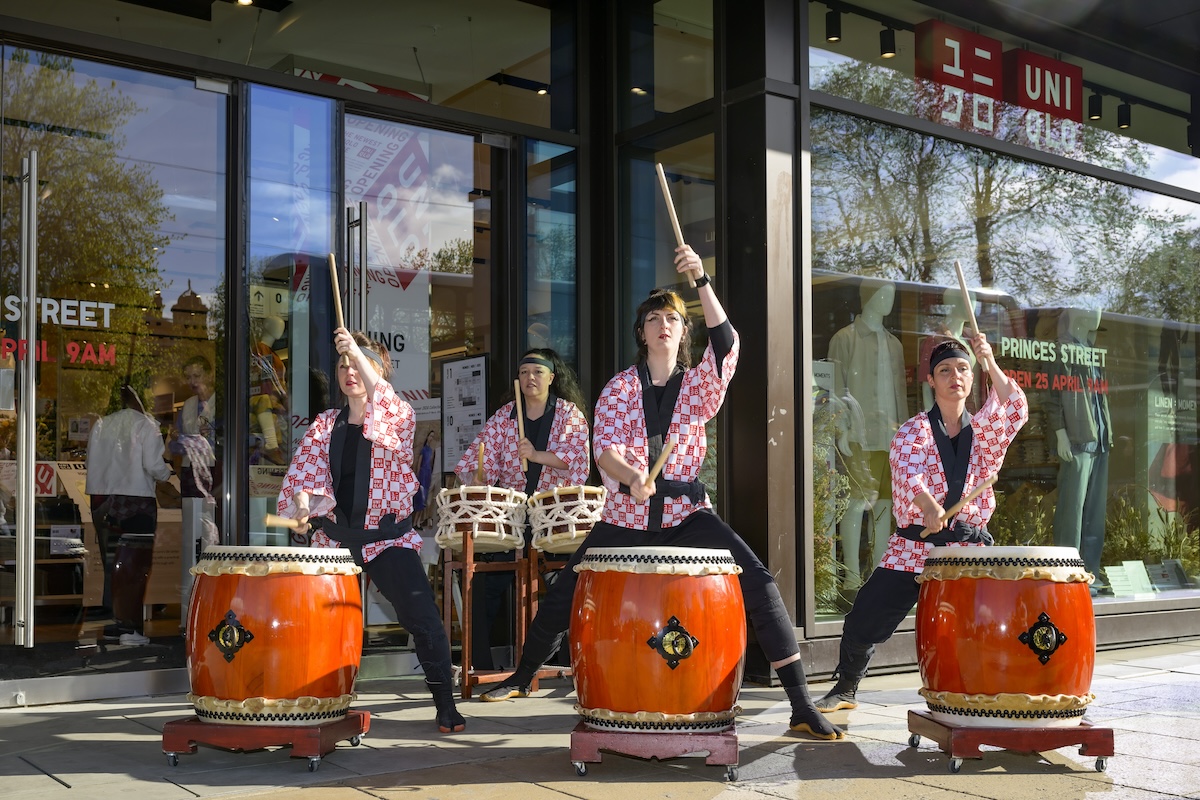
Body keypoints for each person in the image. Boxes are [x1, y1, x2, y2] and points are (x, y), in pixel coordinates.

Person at [478, 244, 844, 741]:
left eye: (672, 319)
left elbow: (729, 343)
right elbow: (603, 450)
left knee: (758, 580)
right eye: (654, 318)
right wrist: (631, 479)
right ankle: (523, 677)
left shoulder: (698, 387)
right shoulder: (619, 389)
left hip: (687, 511)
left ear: (683, 331)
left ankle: (800, 704)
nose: (663, 325)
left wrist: (701, 281)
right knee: (567, 586)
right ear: (642, 332)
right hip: (627, 512)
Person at [815, 334, 1028, 713]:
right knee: (866, 613)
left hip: (968, 550)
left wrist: (989, 361)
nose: (955, 376)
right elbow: (907, 472)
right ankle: (846, 687)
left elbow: (1015, 407)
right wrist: (928, 504)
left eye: (963, 369)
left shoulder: (985, 431)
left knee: (977, 625)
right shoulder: (913, 430)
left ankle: (979, 690)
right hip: (916, 547)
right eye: (945, 370)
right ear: (931, 381)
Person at [278, 327, 465, 734]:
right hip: (335, 539)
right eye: (342, 364)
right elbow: (305, 477)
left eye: (359, 364)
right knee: (314, 624)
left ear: (379, 372)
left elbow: (382, 396)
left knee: (424, 619)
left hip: (387, 539)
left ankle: (445, 705)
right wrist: (302, 508)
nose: (350, 371)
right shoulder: (326, 423)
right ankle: (313, 699)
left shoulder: (398, 415)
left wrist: (356, 351)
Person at [453, 347, 591, 670]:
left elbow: (579, 463)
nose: (530, 378)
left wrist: (538, 454)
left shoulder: (569, 415)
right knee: (481, 582)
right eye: (524, 372)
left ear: (551, 378)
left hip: (553, 515)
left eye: (538, 372)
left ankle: (569, 663)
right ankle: (482, 665)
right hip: (514, 518)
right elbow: (480, 458)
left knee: (566, 588)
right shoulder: (505, 417)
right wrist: (478, 474)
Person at [827, 280, 908, 588]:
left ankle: (878, 571)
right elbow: (835, 388)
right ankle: (850, 574)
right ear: (868, 297)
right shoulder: (844, 339)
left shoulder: (895, 345)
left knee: (885, 502)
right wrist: (842, 429)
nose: (888, 300)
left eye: (892, 295)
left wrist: (904, 436)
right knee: (854, 503)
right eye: (883, 294)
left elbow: (900, 392)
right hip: (859, 436)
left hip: (891, 437)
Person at [85, 384, 172, 642]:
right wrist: (167, 474)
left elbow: (90, 462)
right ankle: (129, 627)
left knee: (112, 563)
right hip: (136, 499)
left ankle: (116, 624)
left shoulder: (101, 425)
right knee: (135, 564)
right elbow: (154, 465)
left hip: (101, 499)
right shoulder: (146, 425)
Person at [1046, 308, 1112, 589]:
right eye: (1092, 309)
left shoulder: (1092, 350)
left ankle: (1090, 572)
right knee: (1071, 509)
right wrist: (1060, 433)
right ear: (1078, 314)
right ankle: (1067, 571)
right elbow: (1051, 395)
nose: (1098, 313)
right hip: (1077, 438)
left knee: (1094, 512)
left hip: (1099, 438)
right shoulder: (1062, 350)